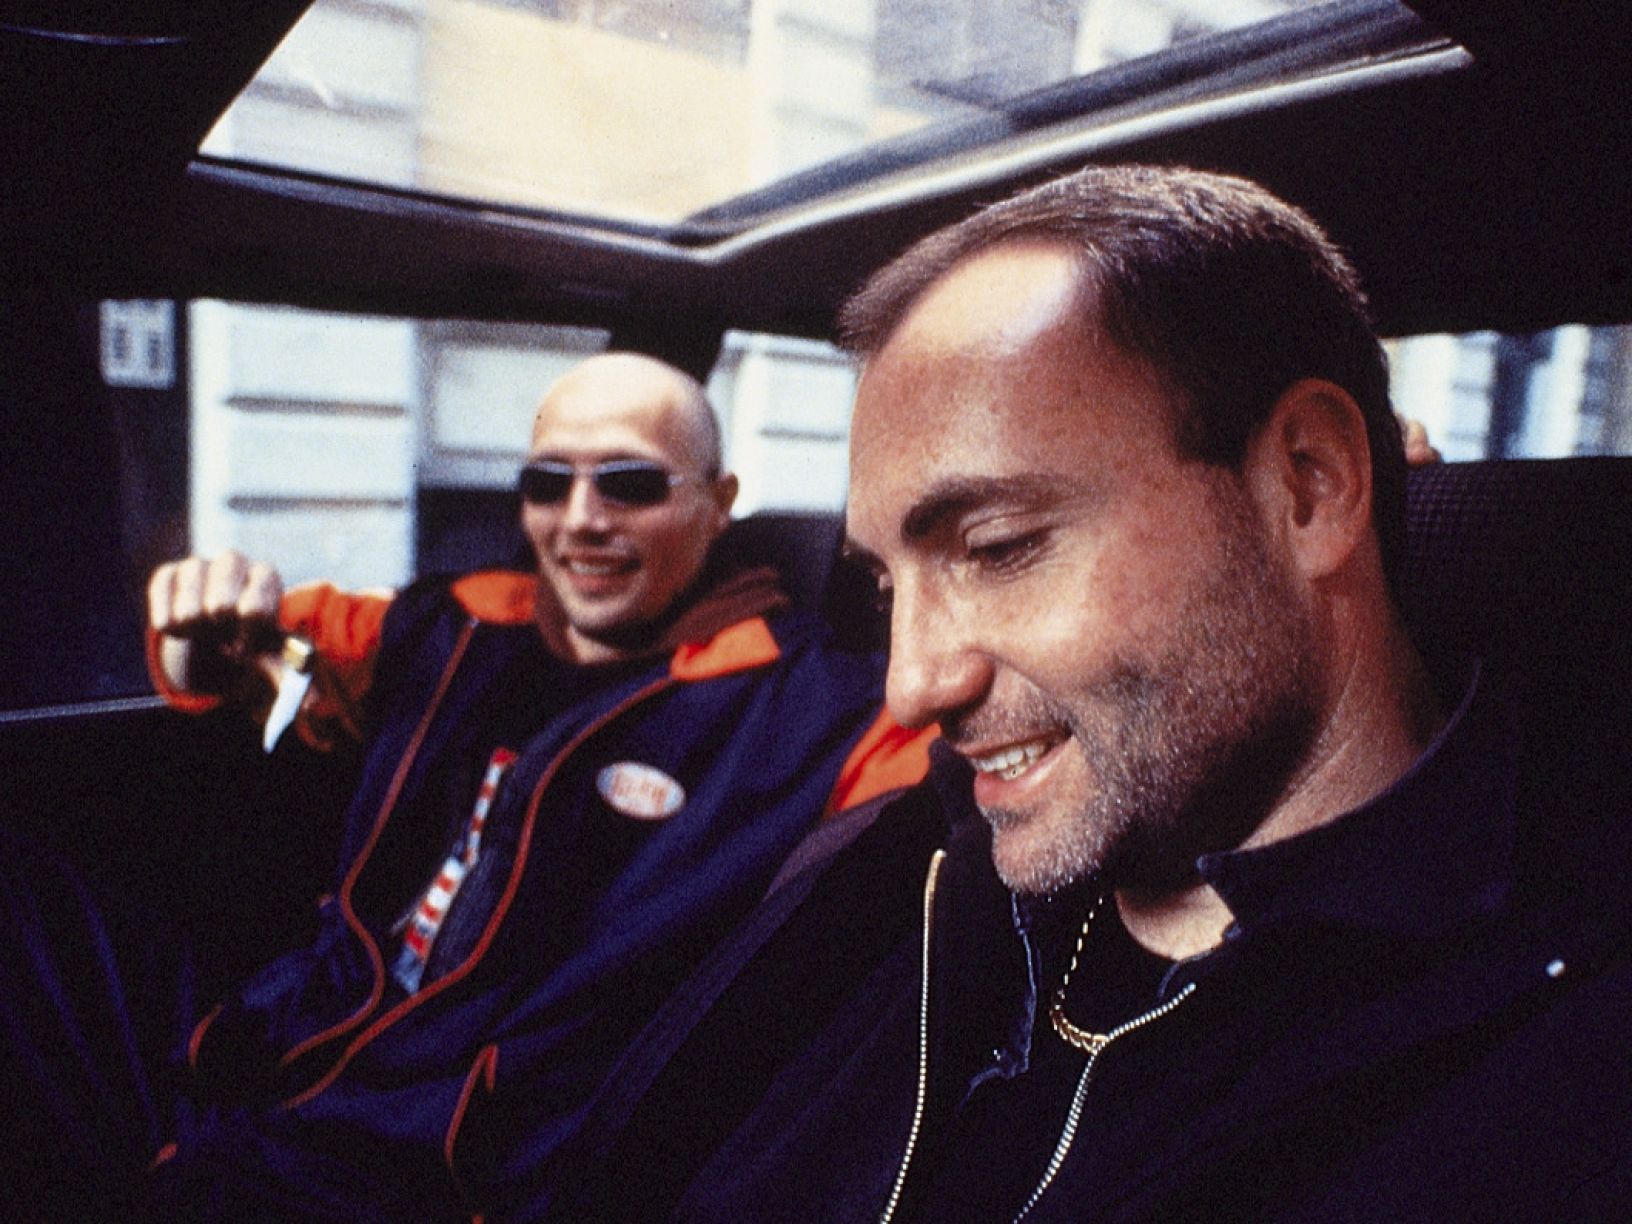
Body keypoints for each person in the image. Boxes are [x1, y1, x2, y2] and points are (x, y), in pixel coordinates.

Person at [549, 166, 1632, 1222]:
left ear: (1308, 483)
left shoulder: (1558, 1085)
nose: (913, 686)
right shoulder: (904, 876)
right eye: (885, 586)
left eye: (998, 546)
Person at [4, 351, 929, 1219]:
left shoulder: (815, 708)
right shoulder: (459, 622)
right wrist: (193, 631)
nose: (581, 518)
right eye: (547, 482)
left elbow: (942, 784)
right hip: (287, 1048)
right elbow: (254, 649)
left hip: (455, 1155)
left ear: (719, 503)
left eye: (630, 483)